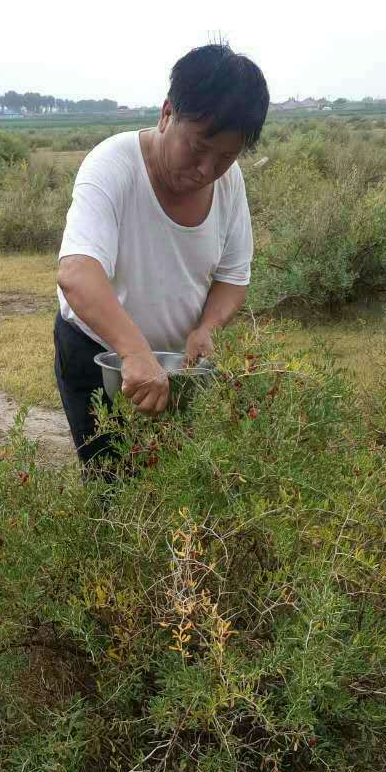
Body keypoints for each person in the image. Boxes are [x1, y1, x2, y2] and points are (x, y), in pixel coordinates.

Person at [54, 43, 269, 466]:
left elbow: (233, 276)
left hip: (178, 366)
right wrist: (134, 353)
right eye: (198, 147)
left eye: (225, 156)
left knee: (179, 483)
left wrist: (207, 327)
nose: (207, 169)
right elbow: (77, 273)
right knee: (115, 490)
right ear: (167, 113)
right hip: (101, 356)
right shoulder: (111, 166)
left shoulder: (229, 183)